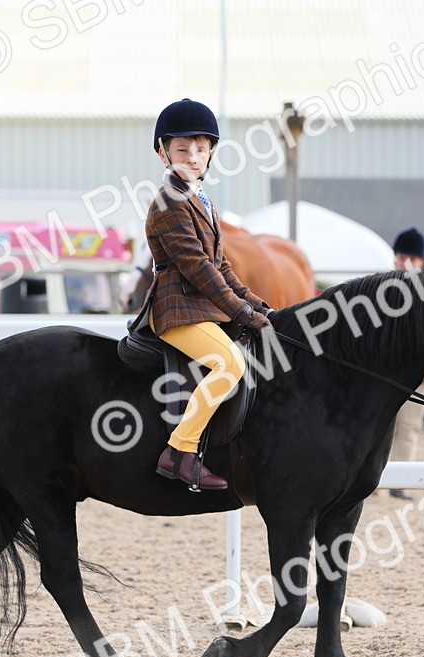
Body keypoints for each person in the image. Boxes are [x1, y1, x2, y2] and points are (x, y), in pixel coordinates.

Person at [136, 98, 272, 491]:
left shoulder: (202, 200)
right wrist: (240, 311)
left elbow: (222, 264)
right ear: (163, 152)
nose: (193, 156)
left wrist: (258, 304)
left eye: (200, 148)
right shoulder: (168, 203)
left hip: (203, 309)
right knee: (230, 364)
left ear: (211, 151)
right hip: (177, 310)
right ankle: (179, 450)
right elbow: (198, 268)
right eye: (182, 149)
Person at [387, 229, 424, 501]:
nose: (405, 262)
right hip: (385, 375)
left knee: (409, 427)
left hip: (421, 377)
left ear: (422, 262)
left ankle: (399, 481)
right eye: (401, 256)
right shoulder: (382, 291)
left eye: (411, 258)